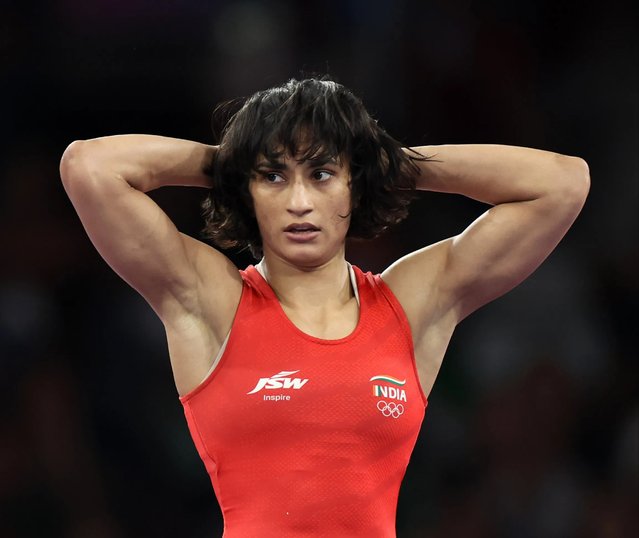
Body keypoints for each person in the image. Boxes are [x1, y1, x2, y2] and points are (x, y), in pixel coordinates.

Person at [59, 77, 589, 537]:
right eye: (273, 177)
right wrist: (232, 160)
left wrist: (388, 163)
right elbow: (89, 166)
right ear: (249, 191)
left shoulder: (409, 303)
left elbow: (563, 183)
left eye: (322, 174)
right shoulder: (210, 298)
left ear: (354, 185)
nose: (299, 203)